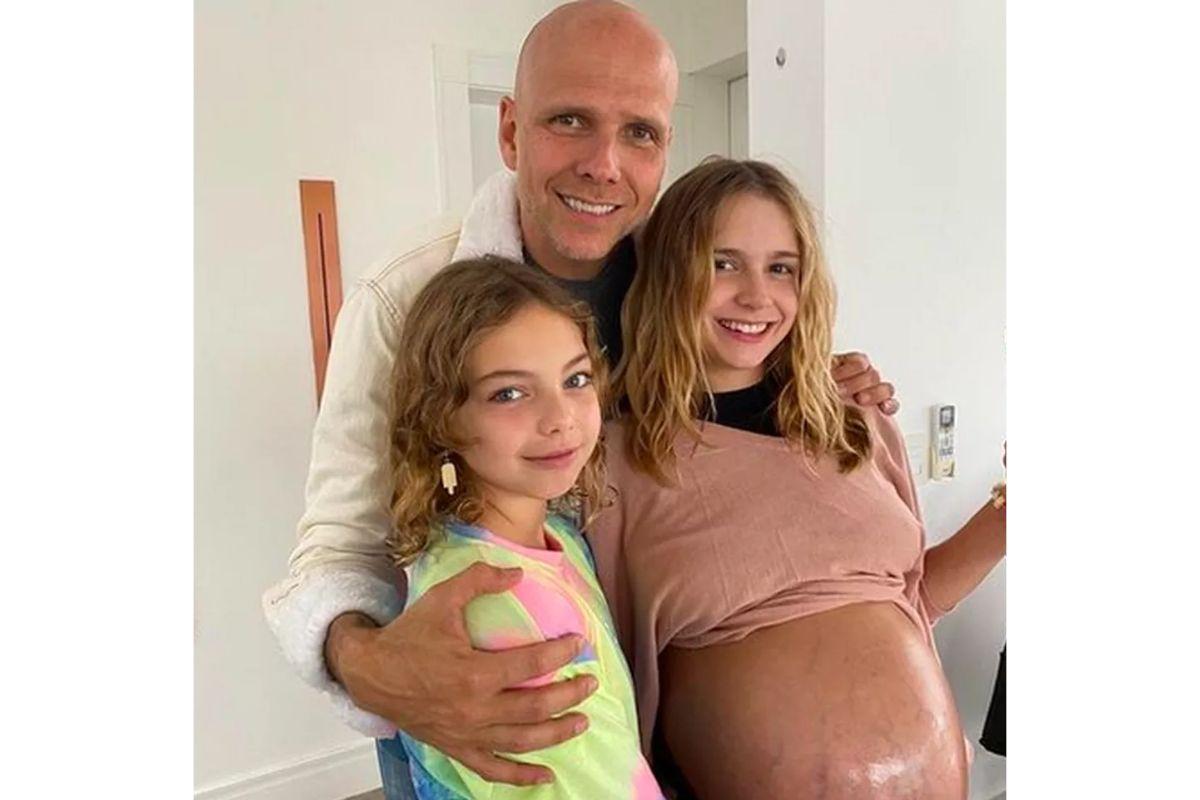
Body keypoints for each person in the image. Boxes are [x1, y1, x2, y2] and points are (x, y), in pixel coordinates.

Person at [261, 0, 898, 790]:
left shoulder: (684, 273)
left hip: (639, 703)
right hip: (474, 714)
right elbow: (336, 544)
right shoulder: (404, 297)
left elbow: (738, 386)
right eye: (570, 120)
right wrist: (377, 667)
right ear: (510, 132)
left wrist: (814, 377)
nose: (605, 164)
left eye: (641, 133)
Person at [592, 158, 1007, 799]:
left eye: (781, 268)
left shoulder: (856, 421)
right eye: (723, 263)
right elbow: (601, 674)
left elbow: (911, 599)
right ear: (670, 273)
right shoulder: (616, 457)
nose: (757, 296)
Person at [382, 257, 663, 798]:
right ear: (441, 417)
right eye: (509, 393)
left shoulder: (554, 535)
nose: (561, 418)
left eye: (576, 379)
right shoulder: (499, 602)